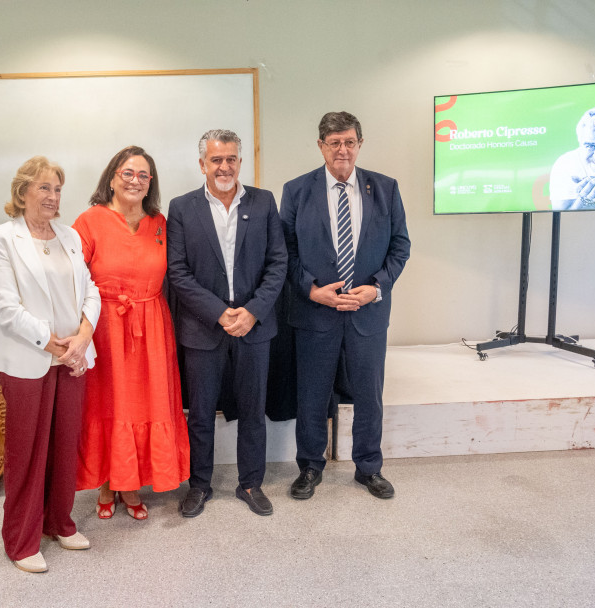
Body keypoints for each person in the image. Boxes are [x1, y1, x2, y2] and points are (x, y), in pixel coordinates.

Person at [279, 111, 410, 502]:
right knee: (312, 396)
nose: (342, 150)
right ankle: (310, 467)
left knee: (369, 396)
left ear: (359, 144)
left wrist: (377, 288)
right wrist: (311, 290)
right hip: (315, 314)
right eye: (334, 142)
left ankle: (369, 468)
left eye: (349, 142)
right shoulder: (296, 191)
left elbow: (400, 246)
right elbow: (285, 251)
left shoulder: (384, 188)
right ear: (321, 146)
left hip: (367, 315)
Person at [0, 156, 101, 573]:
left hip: (72, 357)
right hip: (28, 358)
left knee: (65, 444)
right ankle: (21, 540)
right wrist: (54, 344)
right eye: (44, 188)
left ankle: (58, 523)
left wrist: (82, 339)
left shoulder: (70, 236)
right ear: (23, 192)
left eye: (57, 189)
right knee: (27, 450)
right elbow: (6, 307)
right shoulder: (1, 238)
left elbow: (91, 291)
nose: (53, 196)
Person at [166, 129, 287, 517]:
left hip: (254, 326)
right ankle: (199, 485)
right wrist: (219, 312)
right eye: (216, 160)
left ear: (240, 162)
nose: (224, 167)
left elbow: (278, 263)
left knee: (253, 410)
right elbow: (178, 271)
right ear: (202, 164)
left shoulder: (263, 202)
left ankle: (251, 483)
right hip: (204, 327)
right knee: (201, 414)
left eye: (231, 159)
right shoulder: (181, 207)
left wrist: (252, 311)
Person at [73, 145, 190, 520]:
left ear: (150, 182)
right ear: (112, 178)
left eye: (143, 175)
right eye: (127, 173)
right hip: (104, 327)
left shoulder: (161, 224)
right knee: (109, 405)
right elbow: (71, 278)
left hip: (151, 327)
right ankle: (109, 482)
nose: (135, 180)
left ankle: (132, 483)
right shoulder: (89, 221)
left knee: (145, 405)